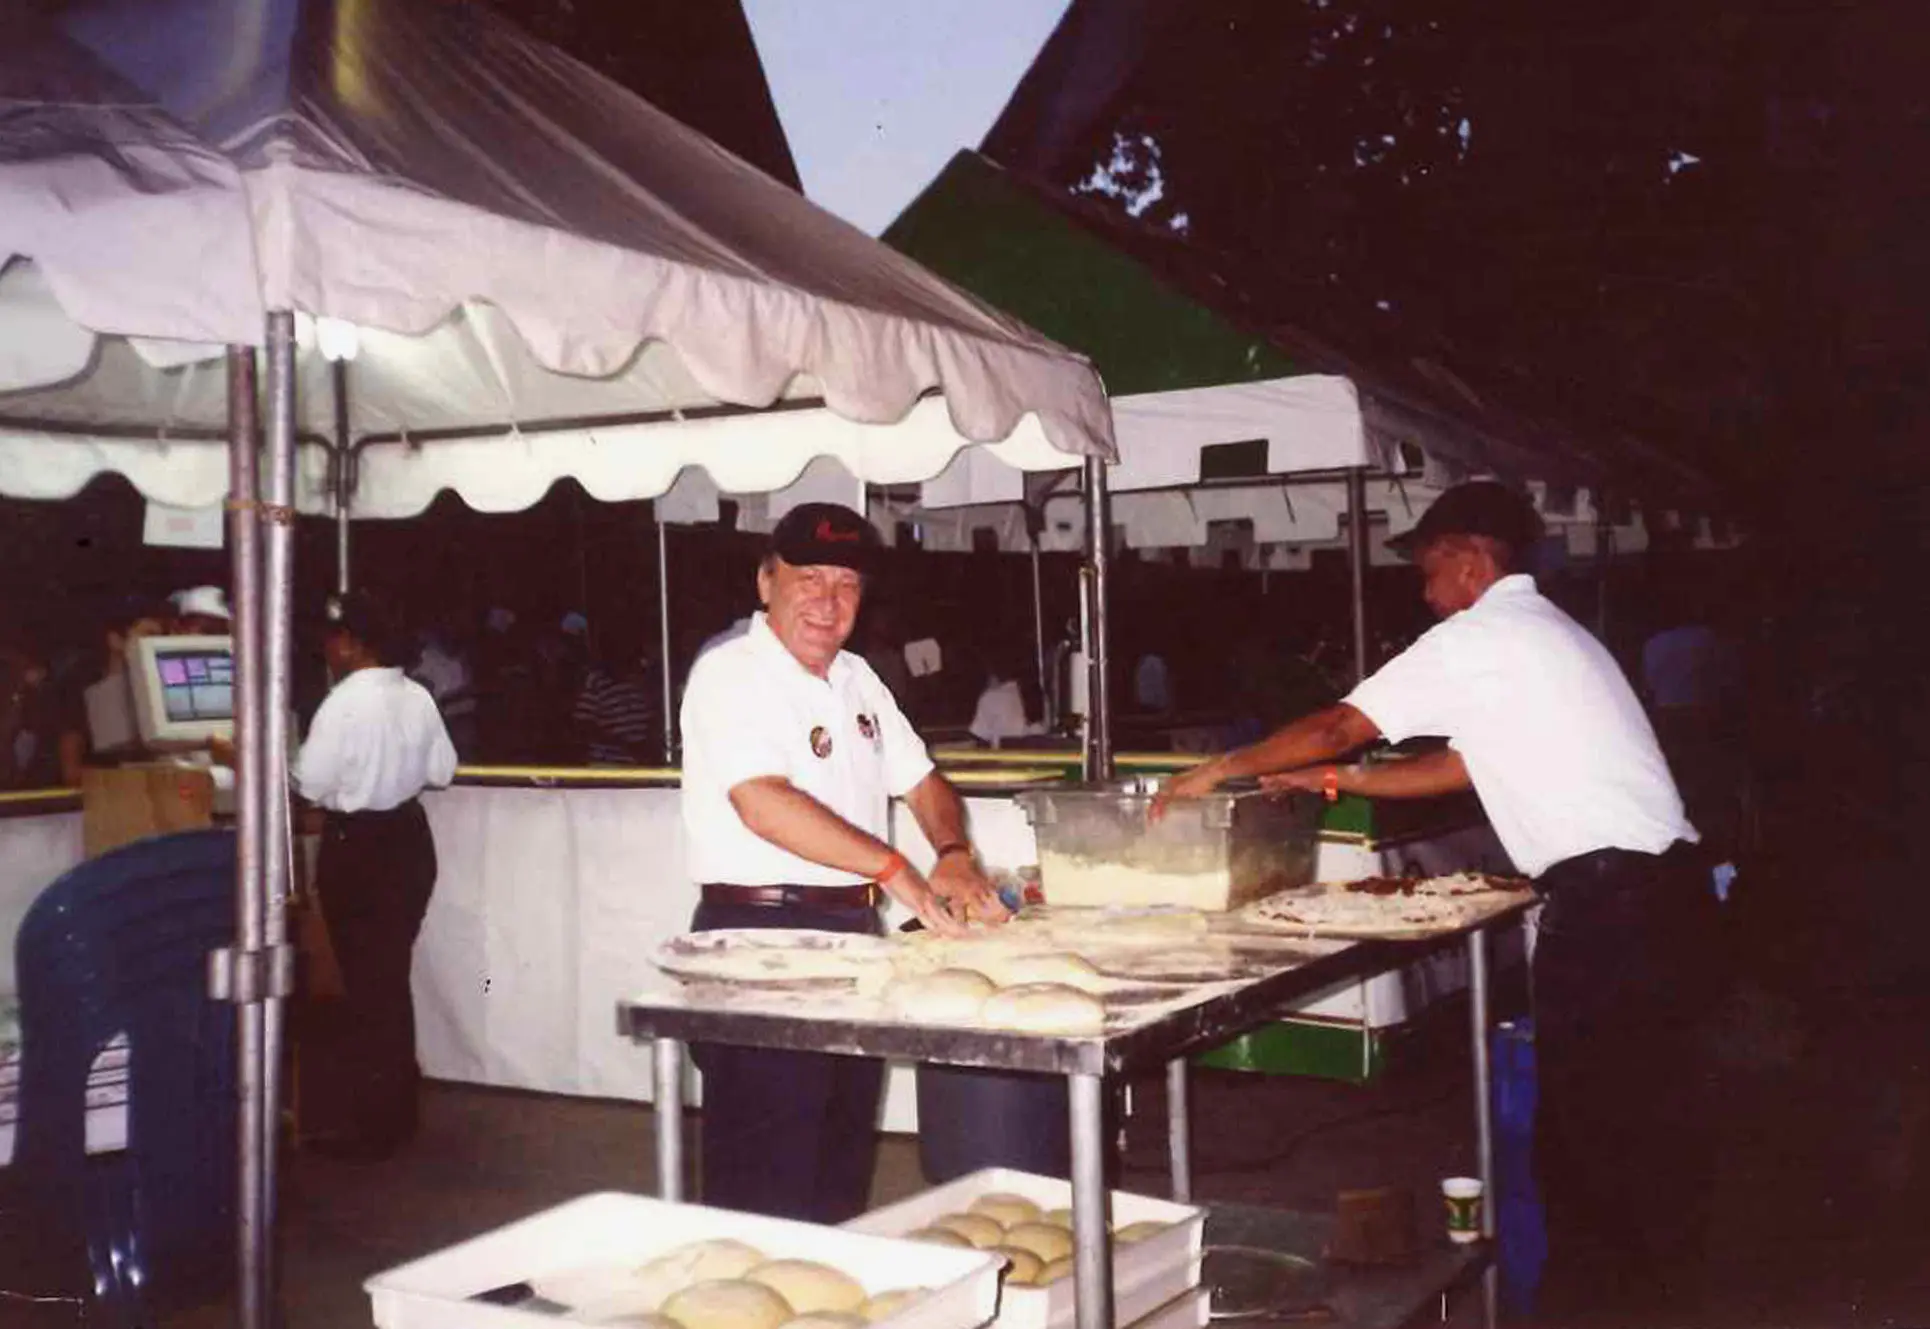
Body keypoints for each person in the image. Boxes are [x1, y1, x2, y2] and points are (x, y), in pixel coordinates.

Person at [1154, 481, 1712, 1324]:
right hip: (1660, 900)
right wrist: (1336, 780)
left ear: (1469, 559)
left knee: (1594, 1151)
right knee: (1632, 1139)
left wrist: (1216, 770)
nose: (1424, 592)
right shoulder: (1547, 632)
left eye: (1428, 571)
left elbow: (1344, 720)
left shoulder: (1480, 635)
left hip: (1615, 910)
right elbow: (1457, 766)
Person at [679, 502, 1006, 1222]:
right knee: (765, 1181)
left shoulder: (859, 678)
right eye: (810, 576)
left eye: (848, 582)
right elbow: (762, 802)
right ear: (766, 581)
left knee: (838, 1160)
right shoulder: (730, 673)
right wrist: (895, 868)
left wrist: (951, 851)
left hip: (853, 938)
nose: (828, 600)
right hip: (760, 935)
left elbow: (922, 781)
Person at [295, 592, 457, 1159]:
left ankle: (375, 1124)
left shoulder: (341, 704)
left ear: (354, 643)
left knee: (369, 987)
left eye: (334, 637)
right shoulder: (416, 697)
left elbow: (310, 783)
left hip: (357, 847)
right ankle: (394, 1110)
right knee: (387, 978)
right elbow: (443, 771)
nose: (328, 646)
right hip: (409, 843)